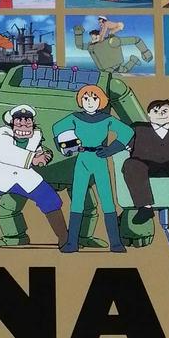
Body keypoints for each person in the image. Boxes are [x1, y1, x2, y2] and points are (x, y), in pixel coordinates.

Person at [54, 84, 134, 253]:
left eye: (94, 98)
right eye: (86, 98)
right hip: (82, 159)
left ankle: (116, 244)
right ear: (80, 101)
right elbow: (57, 128)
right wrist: (66, 146)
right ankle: (72, 243)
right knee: (77, 202)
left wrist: (111, 149)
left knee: (107, 201)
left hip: (99, 159)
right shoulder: (75, 117)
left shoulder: (107, 119)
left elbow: (127, 132)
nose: (90, 102)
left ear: (101, 101)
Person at [0, 106, 68, 247]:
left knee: (51, 200)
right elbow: (5, 153)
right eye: (19, 121)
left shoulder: (36, 135)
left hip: (24, 177)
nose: (23, 125)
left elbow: (38, 149)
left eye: (27, 121)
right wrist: (33, 159)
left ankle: (65, 239)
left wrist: (45, 155)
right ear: (12, 123)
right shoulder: (2, 134)